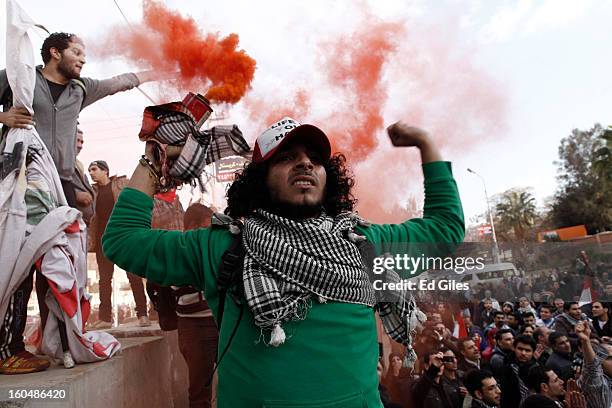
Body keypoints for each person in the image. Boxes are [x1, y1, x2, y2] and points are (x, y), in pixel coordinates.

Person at [102, 118, 465, 407]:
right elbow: (122, 240)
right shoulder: (223, 246)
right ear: (260, 180)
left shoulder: (363, 243)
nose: (305, 162)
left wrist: (427, 144)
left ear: (328, 177)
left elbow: (445, 230)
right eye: (286, 157)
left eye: (314, 158)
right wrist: (154, 160)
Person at [0, 31, 160, 374]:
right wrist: (3, 118)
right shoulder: (20, 78)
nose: (83, 59)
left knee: (58, 267)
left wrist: (160, 70)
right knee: (23, 263)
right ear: (54, 53)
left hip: (58, 190)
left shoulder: (80, 89)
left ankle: (53, 340)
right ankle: (7, 348)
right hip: (22, 182)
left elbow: (120, 82)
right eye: (77, 51)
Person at [88, 160, 149, 329]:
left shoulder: (121, 184)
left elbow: (137, 197)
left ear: (105, 171)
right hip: (103, 240)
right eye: (89, 170)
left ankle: (143, 314)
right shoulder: (92, 191)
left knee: (134, 276)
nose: (91, 173)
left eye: (94, 169)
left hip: (123, 238)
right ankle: (105, 318)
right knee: (104, 280)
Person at [575, 320, 612, 408]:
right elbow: (592, 368)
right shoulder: (597, 383)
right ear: (599, 363)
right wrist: (585, 341)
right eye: (610, 358)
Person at [498, 335, 539, 408]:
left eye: (527, 350)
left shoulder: (537, 369)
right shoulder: (506, 368)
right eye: (520, 349)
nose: (523, 353)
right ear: (514, 348)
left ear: (533, 352)